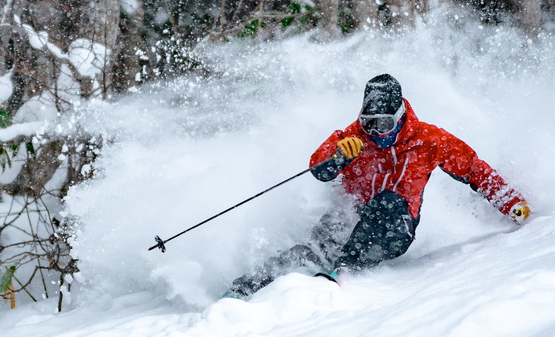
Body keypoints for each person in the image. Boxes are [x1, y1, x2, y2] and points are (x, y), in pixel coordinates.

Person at [225, 73, 530, 298]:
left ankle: (343, 267)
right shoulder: (353, 136)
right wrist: (337, 158)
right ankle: (242, 291)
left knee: (387, 201)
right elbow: (319, 169)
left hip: (394, 226)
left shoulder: (428, 140)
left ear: (400, 117)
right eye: (370, 123)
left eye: (384, 124)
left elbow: (474, 170)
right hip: (349, 219)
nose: (376, 132)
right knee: (309, 249)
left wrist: (510, 202)